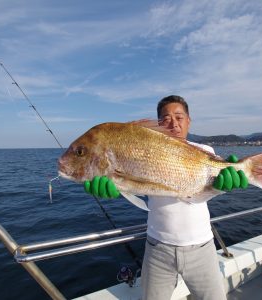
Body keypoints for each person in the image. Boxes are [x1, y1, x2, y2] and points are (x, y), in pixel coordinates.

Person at [84, 95, 247, 300]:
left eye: (179, 117)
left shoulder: (205, 152)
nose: (173, 123)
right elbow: (137, 186)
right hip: (157, 249)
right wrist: (114, 187)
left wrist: (220, 188)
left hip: (202, 248)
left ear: (189, 121)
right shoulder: (145, 150)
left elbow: (196, 196)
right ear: (158, 124)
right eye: (165, 119)